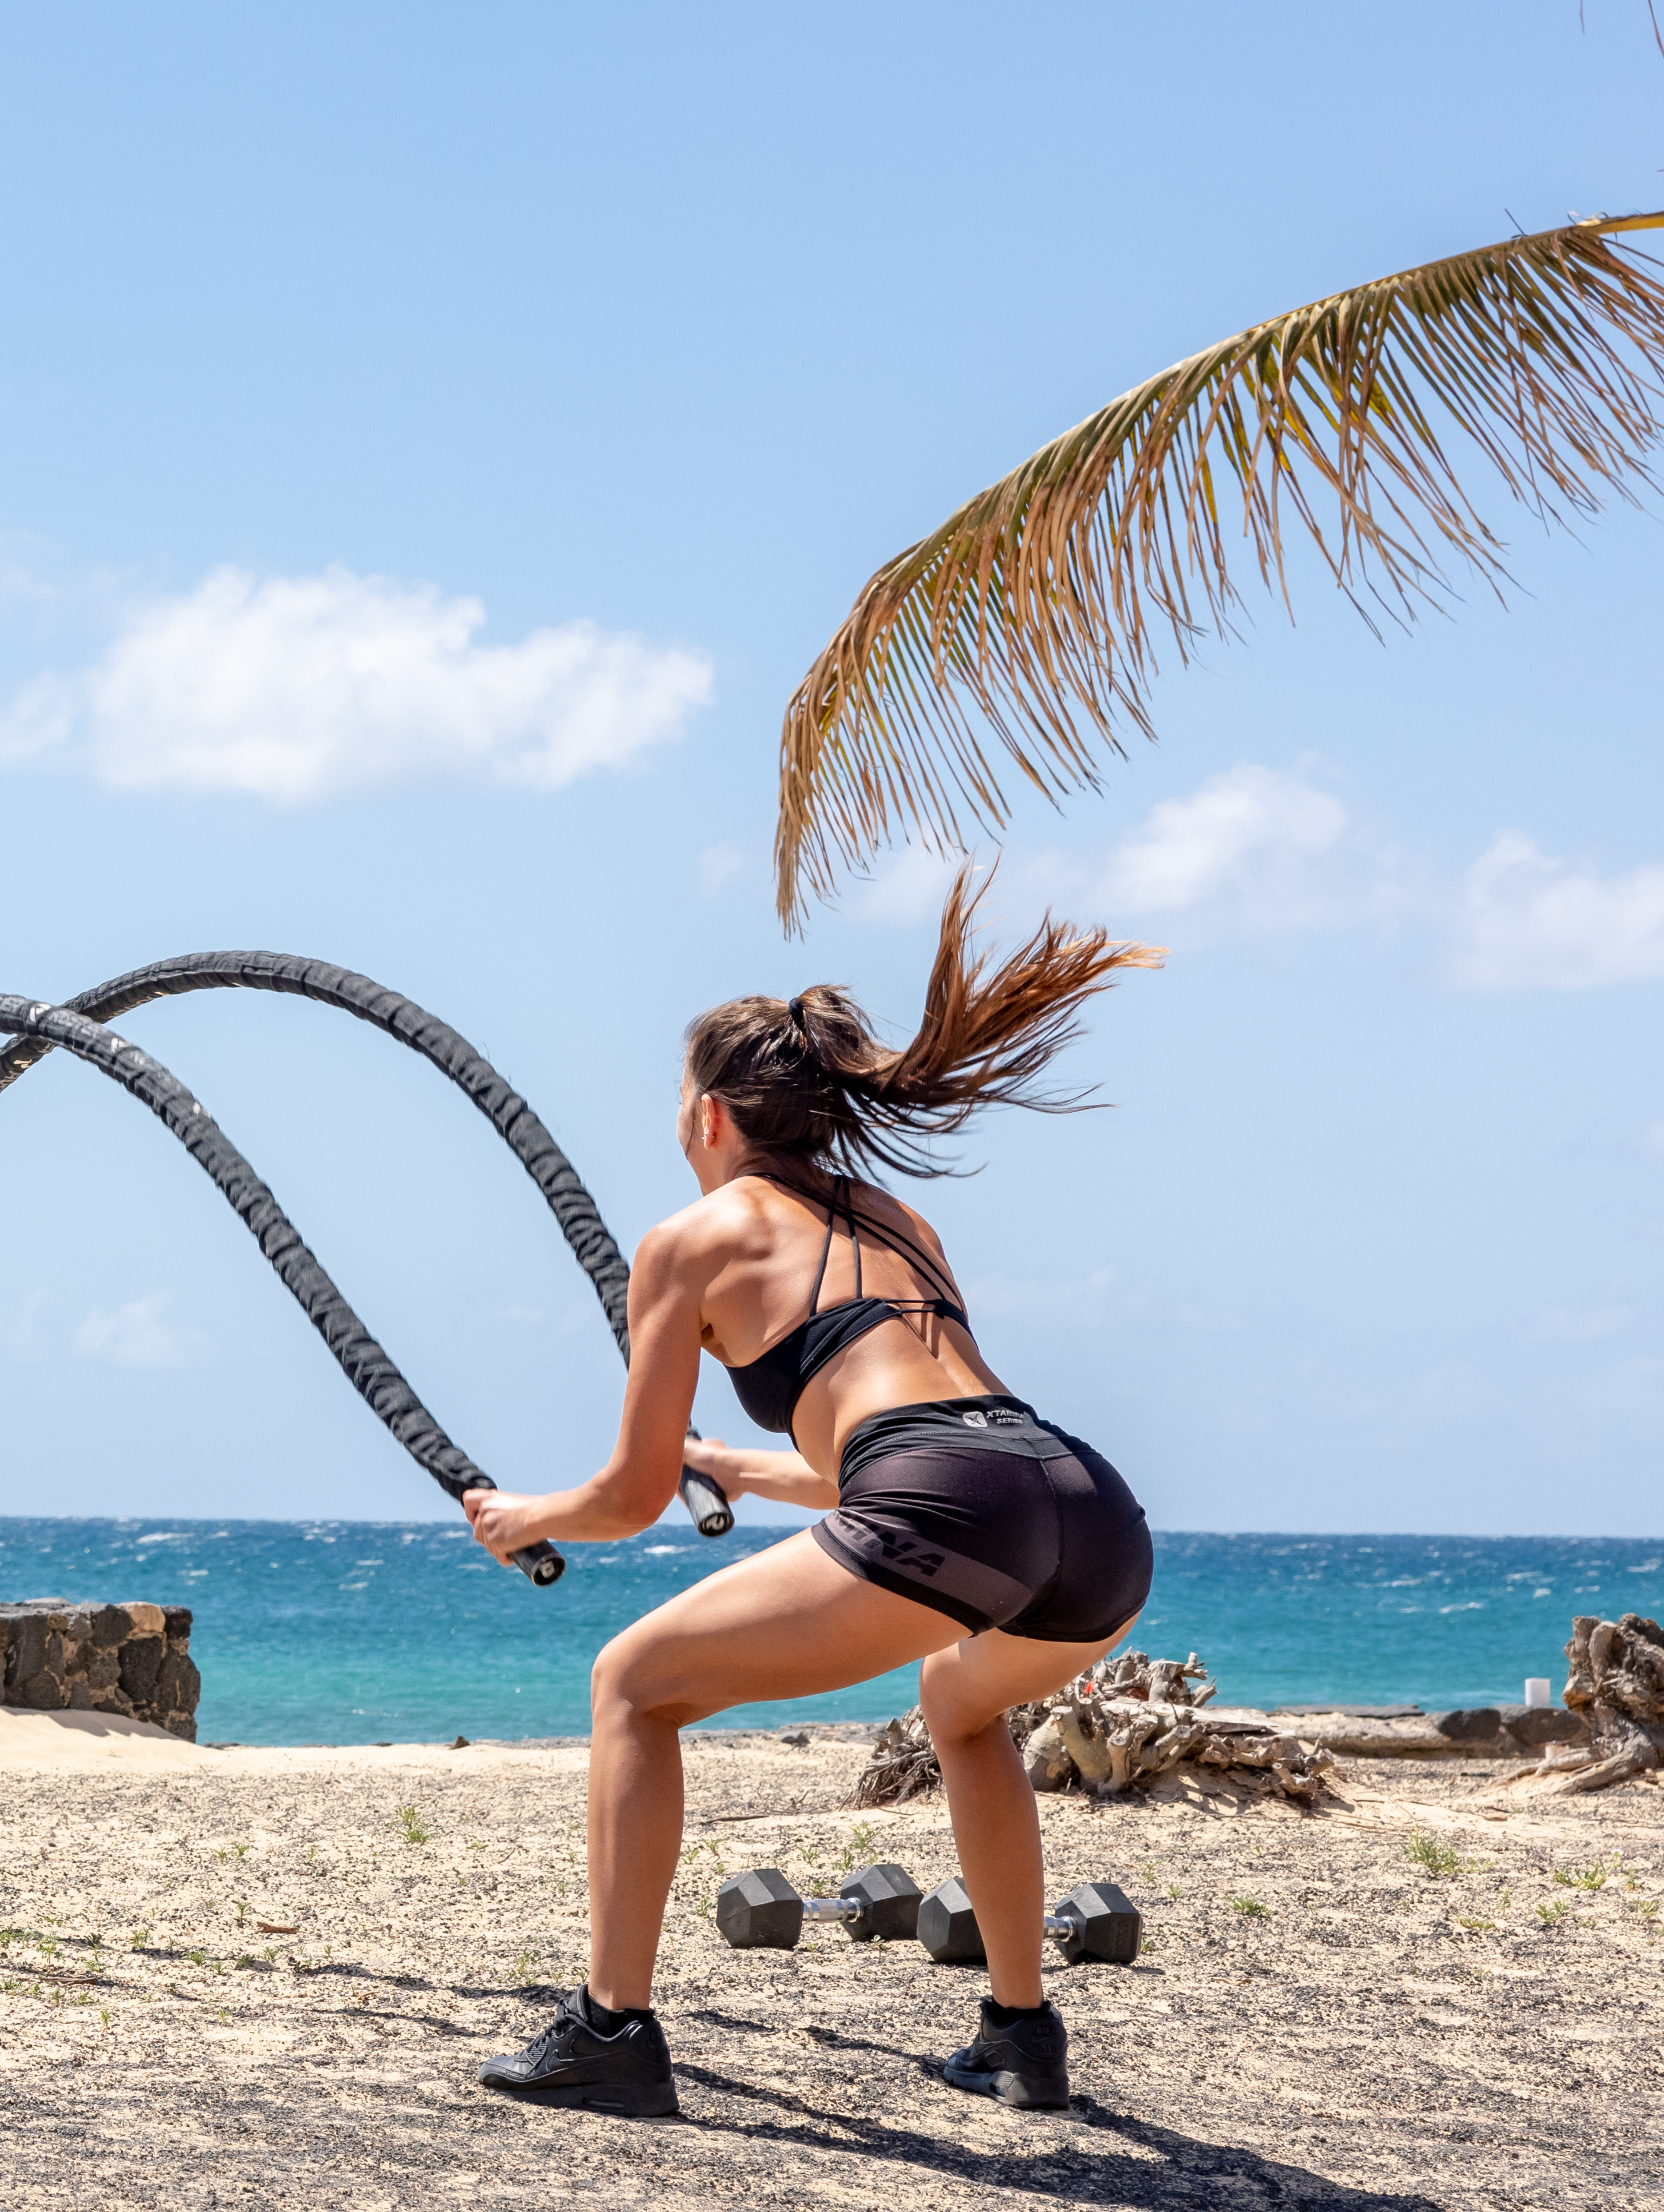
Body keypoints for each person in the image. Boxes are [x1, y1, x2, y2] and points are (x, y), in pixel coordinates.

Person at [460, 876, 1159, 2121]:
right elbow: (917, 1444)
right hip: (1082, 1500)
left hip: (953, 1501)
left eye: (682, 1097)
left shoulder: (693, 1236)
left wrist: (530, 1516)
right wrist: (738, 1469)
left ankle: (610, 2030)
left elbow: (625, 1496)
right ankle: (1019, 2030)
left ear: (714, 1114)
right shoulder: (902, 1218)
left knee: (632, 1682)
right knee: (956, 1700)